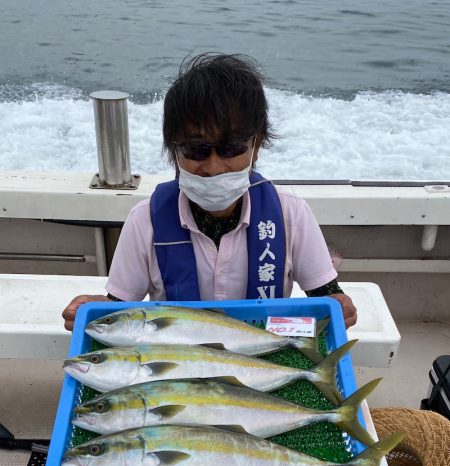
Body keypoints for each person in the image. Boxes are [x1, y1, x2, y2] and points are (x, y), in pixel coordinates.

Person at [63, 53, 356, 331]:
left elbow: (327, 294)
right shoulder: (145, 220)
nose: (214, 167)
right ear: (174, 151)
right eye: (195, 149)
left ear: (257, 145)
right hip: (178, 360)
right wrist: (97, 310)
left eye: (230, 148)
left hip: (265, 354)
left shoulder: (290, 214)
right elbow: (120, 306)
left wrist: (339, 305)